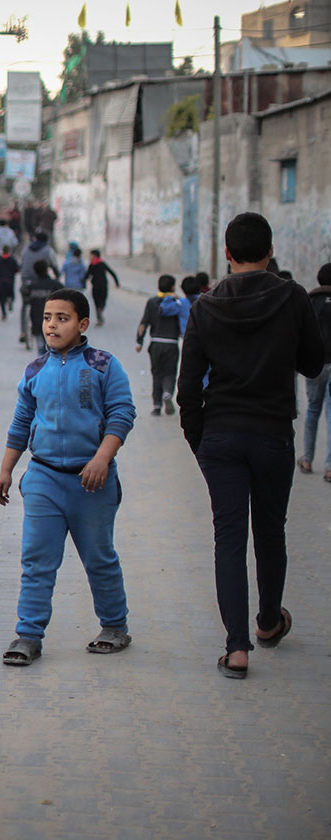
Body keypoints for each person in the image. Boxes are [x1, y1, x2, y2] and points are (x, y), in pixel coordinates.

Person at [177, 212, 324, 679]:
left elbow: (186, 389)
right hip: (272, 435)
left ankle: (236, 649)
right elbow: (314, 363)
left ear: (226, 252)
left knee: (229, 538)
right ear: (271, 249)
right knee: (271, 531)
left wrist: (201, 442)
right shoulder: (293, 297)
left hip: (220, 435)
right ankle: (267, 622)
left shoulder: (205, 306)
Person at [0, 288, 136, 667]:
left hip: (92, 483)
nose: (52, 325)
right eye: (47, 317)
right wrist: (7, 469)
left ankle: (114, 626)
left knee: (99, 557)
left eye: (62, 318)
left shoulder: (105, 365)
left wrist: (102, 459)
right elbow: (22, 422)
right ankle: (28, 635)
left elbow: (123, 414)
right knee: (37, 560)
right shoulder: (35, 370)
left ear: (82, 324)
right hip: (43, 479)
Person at [298, 264, 331, 480]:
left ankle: (308, 459)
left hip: (316, 363)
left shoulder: (310, 301)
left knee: (312, 410)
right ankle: (330, 466)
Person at [135, 275, 183, 417]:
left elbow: (144, 324)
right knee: (170, 372)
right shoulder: (177, 302)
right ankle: (167, 393)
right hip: (171, 344)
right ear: (173, 287)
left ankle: (157, 406)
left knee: (157, 375)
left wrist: (139, 341)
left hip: (155, 343)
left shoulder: (152, 302)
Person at [26, 260, 64, 355]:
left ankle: (42, 366)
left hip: (37, 321)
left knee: (41, 348)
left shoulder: (31, 286)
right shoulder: (56, 285)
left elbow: (26, 299)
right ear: (47, 270)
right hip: (54, 322)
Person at [83, 248, 120, 326]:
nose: (89, 256)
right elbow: (112, 273)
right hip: (103, 286)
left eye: (91, 255)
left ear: (94, 255)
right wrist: (117, 283)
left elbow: (86, 276)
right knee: (103, 301)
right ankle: (101, 309)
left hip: (95, 287)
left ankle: (99, 317)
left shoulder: (91, 265)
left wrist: (83, 282)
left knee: (96, 302)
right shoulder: (102, 264)